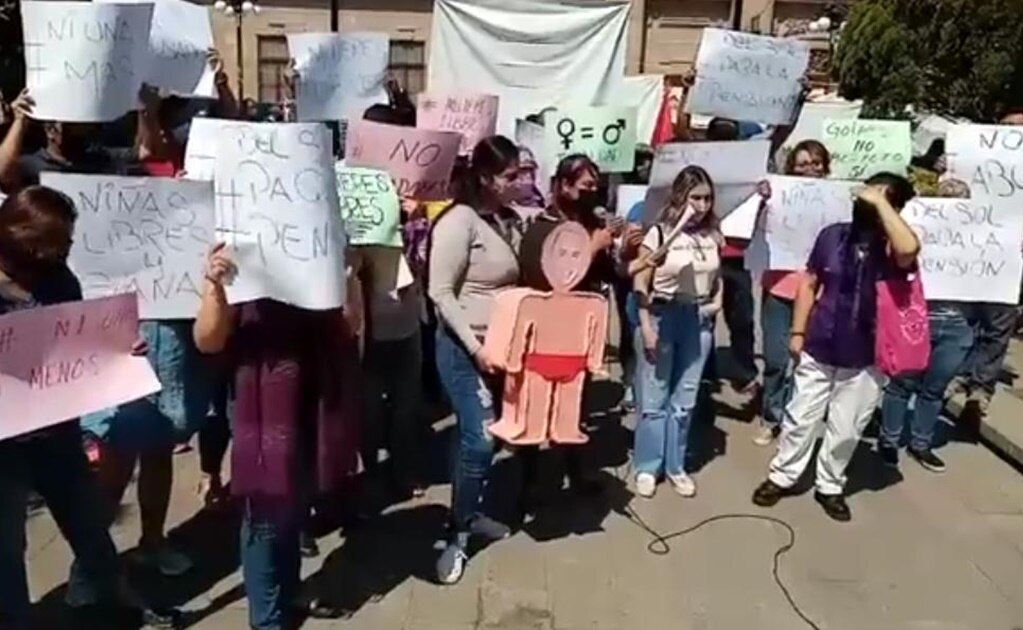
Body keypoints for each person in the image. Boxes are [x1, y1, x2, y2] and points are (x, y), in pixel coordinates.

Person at [0, 187, 176, 629]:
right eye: (59, 242)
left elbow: (76, 341)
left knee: (91, 528)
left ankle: (113, 606)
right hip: (4, 447)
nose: (69, 249)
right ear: (24, 242)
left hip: (58, 434)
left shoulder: (58, 278)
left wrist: (117, 351)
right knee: (7, 549)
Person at [192, 243, 359, 629]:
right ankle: (267, 619)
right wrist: (215, 286)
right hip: (262, 404)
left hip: (315, 395)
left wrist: (349, 278)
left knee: (296, 502)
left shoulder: (321, 245)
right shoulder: (237, 253)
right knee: (266, 513)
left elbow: (350, 326)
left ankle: (289, 594)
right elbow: (207, 340)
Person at [752, 173, 920, 522]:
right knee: (800, 417)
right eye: (865, 196)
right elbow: (810, 283)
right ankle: (782, 476)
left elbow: (909, 250)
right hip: (820, 344)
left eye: (878, 199)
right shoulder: (833, 235)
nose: (866, 203)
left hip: (866, 354)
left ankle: (830, 485)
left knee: (846, 426)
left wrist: (881, 203)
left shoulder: (893, 246)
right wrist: (798, 332)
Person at [428, 135, 523, 585]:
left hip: (500, 350)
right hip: (464, 351)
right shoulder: (458, 222)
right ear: (485, 178)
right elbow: (440, 292)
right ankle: (457, 536)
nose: (518, 182)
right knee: (480, 440)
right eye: (510, 175)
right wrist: (476, 347)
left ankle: (470, 510)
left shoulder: (505, 220)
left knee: (478, 441)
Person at [631, 166, 722, 499]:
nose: (702, 205)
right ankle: (647, 465)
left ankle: (675, 465)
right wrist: (646, 326)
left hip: (697, 319)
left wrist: (716, 303)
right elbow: (640, 280)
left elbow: (717, 276)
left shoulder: (713, 235)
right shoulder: (660, 233)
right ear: (680, 197)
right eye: (696, 198)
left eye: (708, 198)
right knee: (654, 396)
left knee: (685, 399)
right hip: (662, 315)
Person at [877, 178, 974, 473]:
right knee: (902, 384)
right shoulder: (914, 233)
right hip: (917, 318)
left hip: (959, 326)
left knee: (935, 388)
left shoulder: (981, 239)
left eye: (961, 202)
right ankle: (889, 440)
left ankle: (921, 443)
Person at [753, 140, 832, 446]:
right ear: (791, 168)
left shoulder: (837, 199)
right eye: (802, 164)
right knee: (775, 359)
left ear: (825, 167)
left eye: (816, 163)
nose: (810, 169)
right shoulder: (777, 195)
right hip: (779, 288)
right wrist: (761, 201)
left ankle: (797, 418)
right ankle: (772, 415)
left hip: (819, 293)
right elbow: (752, 226)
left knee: (807, 363)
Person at [956, 109, 1023, 417]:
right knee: (966, 318)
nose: (1012, 132)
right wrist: (950, 169)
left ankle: (981, 386)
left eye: (1019, 128)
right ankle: (960, 372)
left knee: (999, 324)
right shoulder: (975, 158)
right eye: (1007, 126)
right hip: (972, 252)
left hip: (1011, 258)